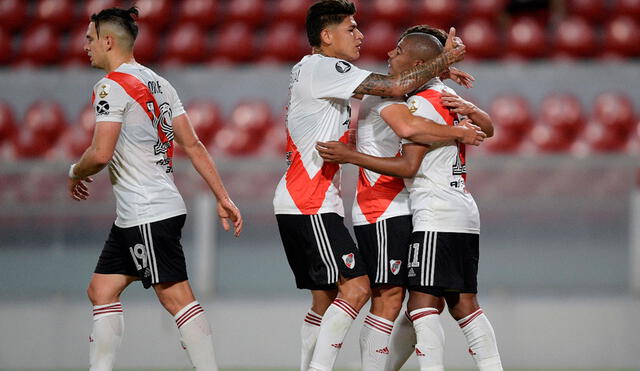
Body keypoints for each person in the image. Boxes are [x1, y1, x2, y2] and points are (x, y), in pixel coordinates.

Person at [273, 1, 466, 370]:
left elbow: (389, 84)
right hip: (308, 200)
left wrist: (431, 73)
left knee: (328, 298)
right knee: (359, 289)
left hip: (313, 200)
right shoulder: (324, 68)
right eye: (351, 28)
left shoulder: (318, 71)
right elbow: (394, 85)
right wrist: (444, 61)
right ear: (326, 36)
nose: (361, 35)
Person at [67, 7, 242, 371]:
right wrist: (222, 196)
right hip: (141, 211)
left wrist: (74, 171)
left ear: (108, 41)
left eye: (89, 38)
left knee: (176, 297)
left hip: (147, 211)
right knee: (101, 290)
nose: (85, 46)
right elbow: (193, 144)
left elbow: (100, 154)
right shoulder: (159, 83)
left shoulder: (110, 87)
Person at [316, 32, 503, 371]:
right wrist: (454, 91)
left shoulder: (417, 103)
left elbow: (409, 161)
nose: (389, 53)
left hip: (432, 212)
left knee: (417, 306)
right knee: (462, 304)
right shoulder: (447, 95)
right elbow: (488, 129)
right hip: (462, 210)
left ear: (417, 65)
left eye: (399, 50)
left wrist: (351, 156)